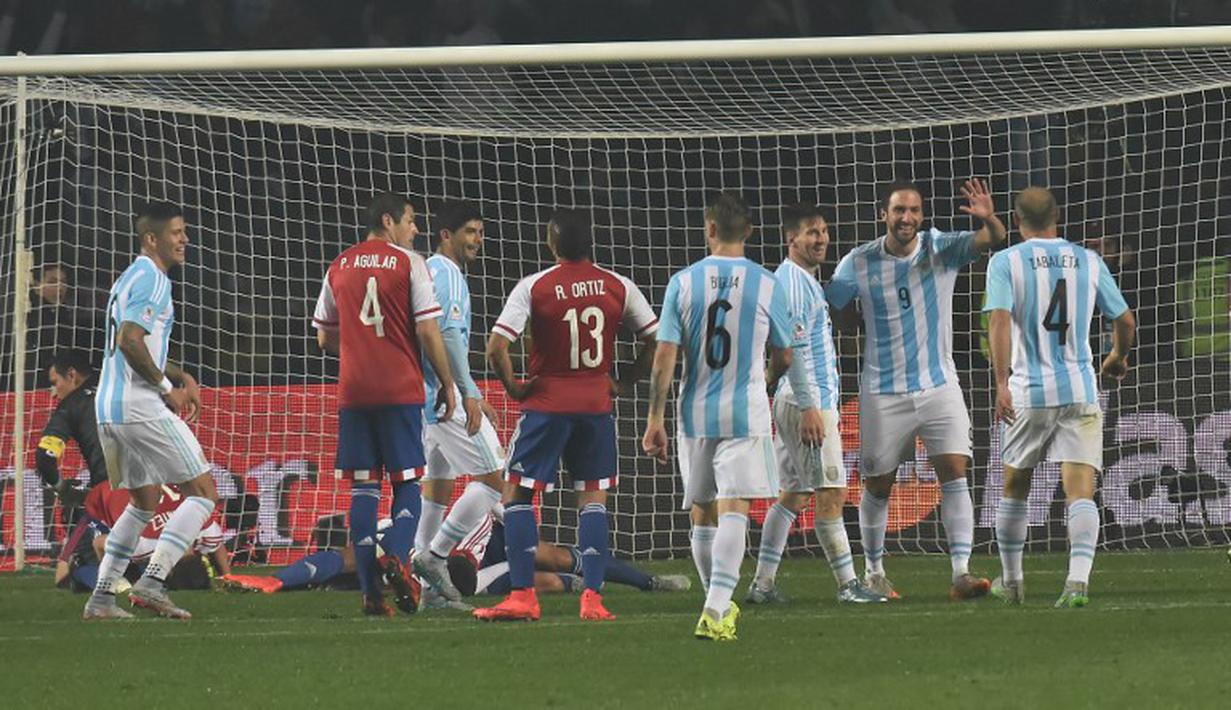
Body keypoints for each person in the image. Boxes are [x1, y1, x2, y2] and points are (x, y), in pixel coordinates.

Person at [474, 208, 658, 623]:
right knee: (592, 500)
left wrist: (516, 388)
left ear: (551, 243)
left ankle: (522, 596)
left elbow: (495, 348)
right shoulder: (618, 285)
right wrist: (624, 381)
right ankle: (592, 599)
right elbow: (656, 339)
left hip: (547, 405)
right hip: (595, 406)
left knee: (517, 495)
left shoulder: (535, 286)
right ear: (590, 243)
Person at [642, 191, 812, 641]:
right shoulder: (767, 283)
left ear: (710, 228)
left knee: (702, 512)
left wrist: (655, 418)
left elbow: (664, 355)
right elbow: (786, 354)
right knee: (735, 506)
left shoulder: (682, 282)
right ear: (750, 231)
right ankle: (717, 609)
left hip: (694, 413)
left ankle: (713, 603)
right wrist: (767, 378)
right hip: (744, 412)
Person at [827, 179, 1007, 600]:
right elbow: (834, 303)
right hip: (882, 390)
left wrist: (989, 218)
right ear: (884, 215)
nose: (906, 217)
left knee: (955, 470)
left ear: (922, 216)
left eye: (913, 210)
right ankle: (875, 573)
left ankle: (961, 572)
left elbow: (993, 238)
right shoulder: (858, 261)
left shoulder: (940, 247)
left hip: (938, 385)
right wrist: (852, 323)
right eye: (898, 210)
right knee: (877, 483)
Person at [985, 187, 1135, 608]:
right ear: (1058, 216)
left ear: (1017, 220)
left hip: (1028, 392)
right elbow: (1125, 320)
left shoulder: (1006, 261)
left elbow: (999, 320)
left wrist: (1000, 382)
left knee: (1014, 486)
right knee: (1080, 491)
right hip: (1079, 389)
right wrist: (1116, 357)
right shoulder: (1089, 259)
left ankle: (1012, 582)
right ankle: (1077, 583)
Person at [313, 192, 458, 617]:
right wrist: (447, 383)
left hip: (354, 392)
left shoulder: (339, 264)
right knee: (408, 483)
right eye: (410, 221)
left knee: (363, 488)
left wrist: (360, 348)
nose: (415, 229)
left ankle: (370, 594)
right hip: (399, 389)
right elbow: (428, 331)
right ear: (389, 221)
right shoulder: (409, 263)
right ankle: (395, 555)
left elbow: (323, 337)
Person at [83, 201, 219, 620]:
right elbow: (128, 340)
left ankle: (101, 598)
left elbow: (140, 343)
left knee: (144, 500)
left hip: (109, 407)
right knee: (203, 493)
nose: (184, 239)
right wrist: (167, 389)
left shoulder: (131, 276)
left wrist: (180, 374)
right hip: (138, 406)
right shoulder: (153, 279)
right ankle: (153, 582)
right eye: (176, 233)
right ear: (151, 239)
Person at [749, 205, 886, 605]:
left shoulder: (799, 280)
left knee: (793, 495)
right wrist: (810, 406)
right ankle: (848, 585)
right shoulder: (793, 283)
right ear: (791, 239)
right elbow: (789, 350)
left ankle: (762, 584)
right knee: (831, 494)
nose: (821, 238)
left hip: (795, 399)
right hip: (807, 403)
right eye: (812, 232)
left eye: (824, 231)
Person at [412, 199, 507, 606]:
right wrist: (469, 392)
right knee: (495, 480)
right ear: (445, 235)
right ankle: (434, 557)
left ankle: (428, 592)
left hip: (425, 397)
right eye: (470, 231)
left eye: (480, 232)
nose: (477, 239)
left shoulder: (426, 271)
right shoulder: (448, 273)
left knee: (436, 490)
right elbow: (448, 335)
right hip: (444, 396)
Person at [63, 480, 229, 592]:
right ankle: (78, 572)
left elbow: (217, 546)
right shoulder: (142, 546)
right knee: (118, 584)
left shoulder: (205, 527)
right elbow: (99, 543)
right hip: (100, 500)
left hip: (142, 482)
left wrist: (227, 578)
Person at [37, 350, 107, 523]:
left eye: (55, 383)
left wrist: (62, 488)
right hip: (158, 484)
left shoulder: (70, 405)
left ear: (71, 375)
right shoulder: (118, 386)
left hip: (113, 490)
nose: (53, 393)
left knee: (97, 538)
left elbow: (45, 456)